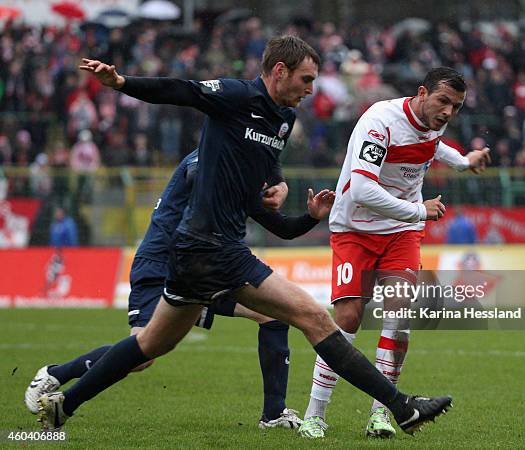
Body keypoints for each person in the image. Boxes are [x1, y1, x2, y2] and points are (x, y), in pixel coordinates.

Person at [38, 36, 452, 436]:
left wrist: (297, 204)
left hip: (200, 253)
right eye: (306, 79)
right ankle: (402, 408)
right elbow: (182, 90)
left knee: (149, 345)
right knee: (311, 318)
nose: (310, 89)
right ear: (279, 70)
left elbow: (269, 191)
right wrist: (123, 83)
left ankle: (64, 404)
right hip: (212, 247)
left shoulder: (284, 120)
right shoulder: (236, 96)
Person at [28, 148, 336, 429]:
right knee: (144, 354)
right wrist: (253, 186)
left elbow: (282, 228)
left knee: (272, 315)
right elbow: (198, 175)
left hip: (208, 265)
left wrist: (311, 217)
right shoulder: (209, 154)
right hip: (162, 262)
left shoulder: (241, 167)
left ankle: (273, 414)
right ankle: (58, 374)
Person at [299, 67, 491, 438]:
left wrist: (465, 161)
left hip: (400, 231)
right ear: (422, 93)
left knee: (399, 313)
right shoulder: (379, 123)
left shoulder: (436, 122)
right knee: (349, 318)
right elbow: (361, 191)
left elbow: (433, 146)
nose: (449, 112)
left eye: (457, 106)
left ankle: (381, 414)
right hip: (354, 228)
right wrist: (421, 210)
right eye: (443, 101)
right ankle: (315, 414)